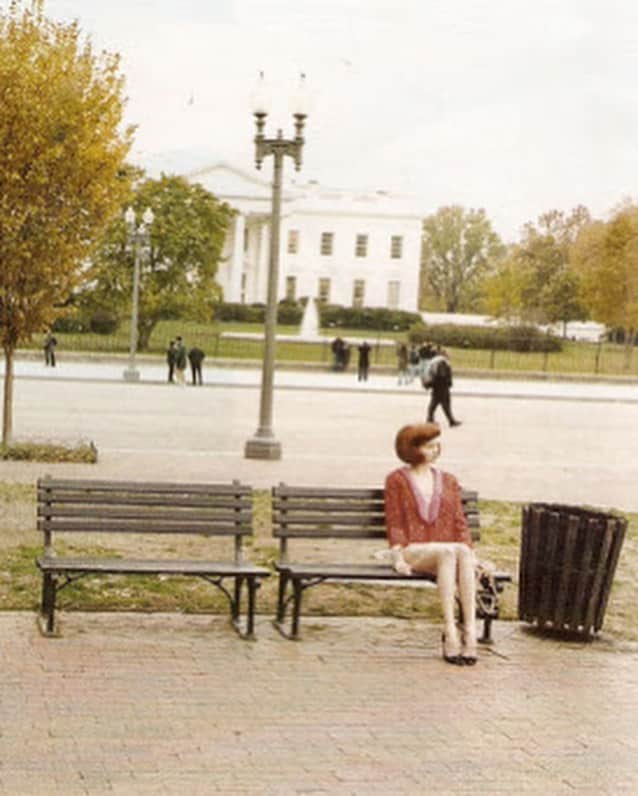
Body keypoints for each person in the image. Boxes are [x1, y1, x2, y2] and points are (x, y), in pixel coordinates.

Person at [384, 422, 477, 665]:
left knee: (460, 552)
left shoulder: (448, 480)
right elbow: (394, 522)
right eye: (428, 446)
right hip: (414, 550)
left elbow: (459, 521)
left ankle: (470, 631)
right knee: (449, 551)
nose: (435, 450)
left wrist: (469, 549)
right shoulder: (397, 480)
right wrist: (397, 558)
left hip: (446, 553)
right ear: (412, 448)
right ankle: (450, 631)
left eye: (437, 445)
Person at [424, 348, 461, 427]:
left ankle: (431, 419)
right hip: (441, 386)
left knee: (436, 403)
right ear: (445, 354)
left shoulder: (437, 361)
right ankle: (451, 421)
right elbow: (442, 374)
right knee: (443, 403)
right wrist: (447, 381)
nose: (450, 355)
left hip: (438, 386)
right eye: (449, 353)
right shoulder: (442, 362)